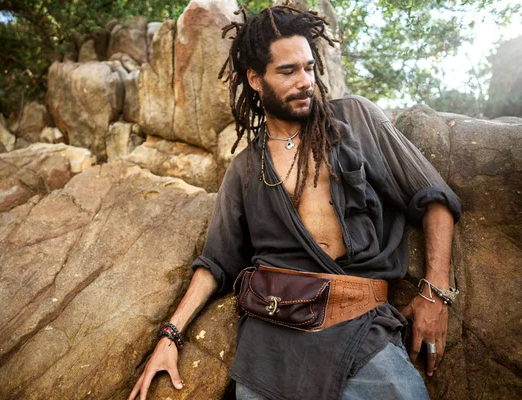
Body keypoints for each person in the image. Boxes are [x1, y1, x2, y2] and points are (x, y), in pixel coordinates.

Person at [129, 5, 461, 400]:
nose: (305, 81)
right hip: (272, 340)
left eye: (309, 67)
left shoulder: (355, 119)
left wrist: (435, 294)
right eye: (288, 71)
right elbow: (216, 263)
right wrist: (170, 336)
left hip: (360, 325)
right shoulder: (245, 168)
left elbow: (434, 198)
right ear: (255, 79)